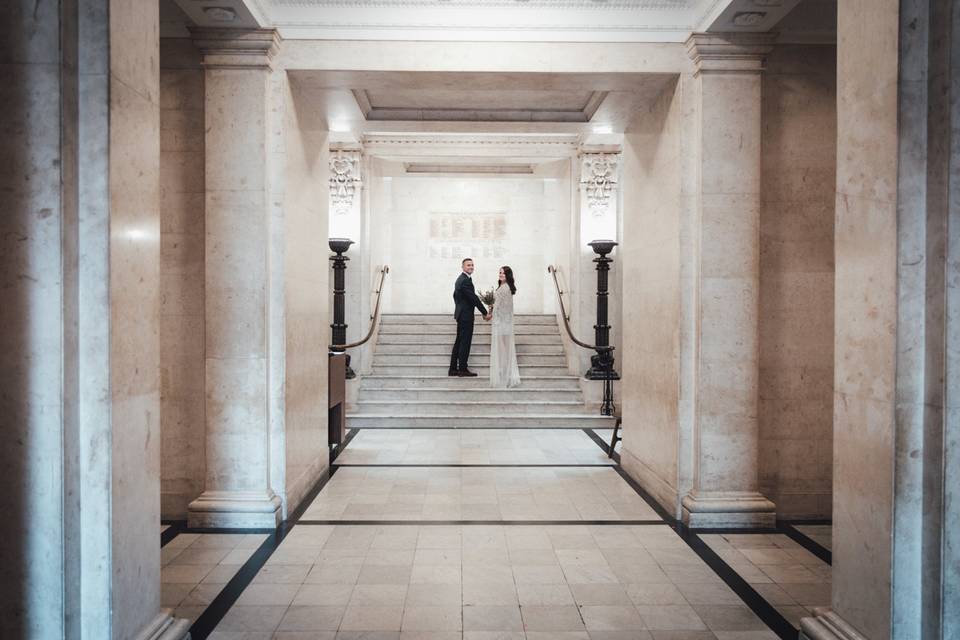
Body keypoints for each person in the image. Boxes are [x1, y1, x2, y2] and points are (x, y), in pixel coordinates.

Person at [450, 258, 491, 377]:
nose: (471, 267)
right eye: (468, 265)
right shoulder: (465, 281)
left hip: (461, 314)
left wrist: (459, 307)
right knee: (465, 342)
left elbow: (455, 296)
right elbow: (473, 299)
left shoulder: (460, 279)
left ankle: (453, 369)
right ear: (462, 267)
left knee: (459, 342)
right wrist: (484, 312)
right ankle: (462, 369)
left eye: (472, 265)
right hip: (466, 316)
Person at [490, 266, 521, 388]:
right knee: (504, 349)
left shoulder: (504, 288)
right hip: (504, 323)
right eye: (499, 272)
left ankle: (505, 375)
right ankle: (506, 374)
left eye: (503, 273)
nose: (500, 274)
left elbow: (501, 307)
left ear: (508, 275)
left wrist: (491, 314)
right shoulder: (506, 287)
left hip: (502, 323)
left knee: (503, 349)